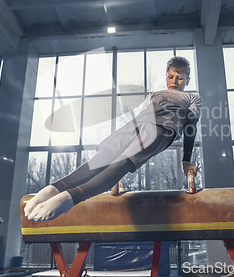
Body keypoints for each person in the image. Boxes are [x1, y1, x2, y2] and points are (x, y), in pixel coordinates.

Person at [25, 56, 201, 222]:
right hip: (137, 123)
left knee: (120, 164)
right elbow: (141, 115)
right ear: (166, 77)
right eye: (170, 76)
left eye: (179, 78)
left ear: (187, 81)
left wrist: (186, 160)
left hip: (162, 128)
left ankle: (70, 198)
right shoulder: (153, 95)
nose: (174, 81)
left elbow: (190, 127)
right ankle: (54, 188)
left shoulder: (192, 98)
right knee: (100, 159)